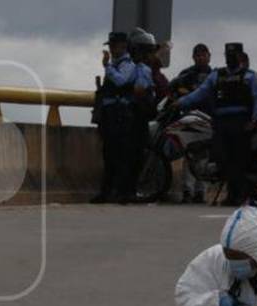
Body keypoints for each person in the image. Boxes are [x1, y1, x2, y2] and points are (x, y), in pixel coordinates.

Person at [176, 43, 257, 207]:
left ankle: (240, 195)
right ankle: (232, 195)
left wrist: (254, 120)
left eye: (233, 56)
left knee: (239, 161)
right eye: (227, 55)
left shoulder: (249, 77)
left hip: (241, 123)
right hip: (221, 123)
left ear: (240, 57)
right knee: (223, 160)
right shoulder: (217, 76)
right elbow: (200, 93)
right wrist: (180, 103)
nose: (230, 59)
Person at [90, 29, 155, 204]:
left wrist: (107, 66)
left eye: (114, 46)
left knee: (122, 155)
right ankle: (108, 191)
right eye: (110, 46)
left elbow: (121, 81)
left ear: (123, 46)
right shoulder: (117, 63)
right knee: (109, 154)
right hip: (110, 115)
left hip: (121, 115)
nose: (111, 49)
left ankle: (122, 191)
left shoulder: (127, 65)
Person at [171, 43, 215, 203]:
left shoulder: (215, 75)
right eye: (198, 55)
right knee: (189, 156)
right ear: (193, 57)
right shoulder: (185, 75)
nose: (201, 58)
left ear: (209, 56)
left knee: (204, 157)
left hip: (208, 120)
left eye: (204, 55)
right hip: (189, 121)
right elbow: (175, 91)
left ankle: (200, 192)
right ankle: (187, 191)